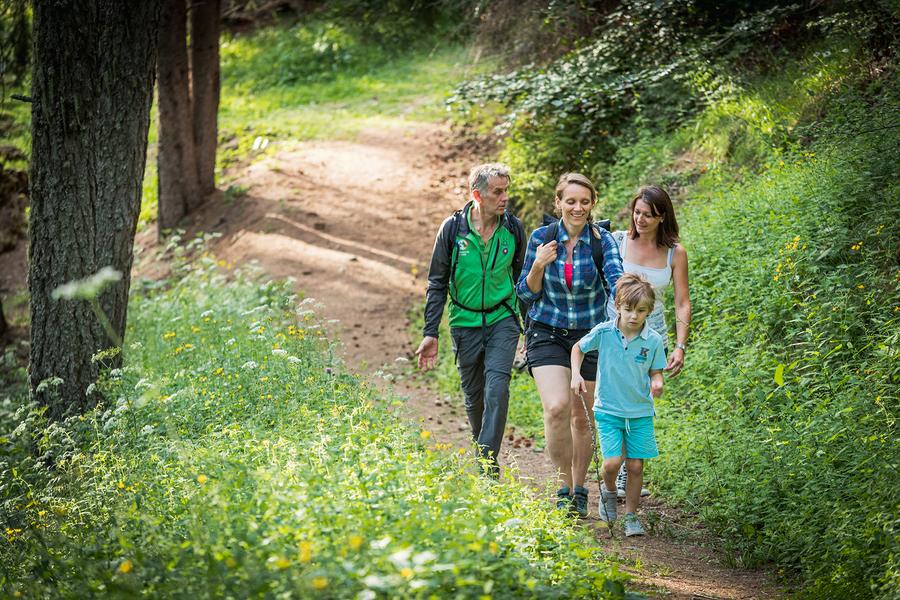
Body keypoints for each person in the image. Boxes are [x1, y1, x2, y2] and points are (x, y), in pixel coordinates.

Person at [515, 172, 623, 516]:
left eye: (585, 202)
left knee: (582, 417)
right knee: (557, 407)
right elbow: (525, 292)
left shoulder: (602, 241)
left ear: (592, 205)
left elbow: (617, 280)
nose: (578, 208)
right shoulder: (541, 238)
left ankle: (579, 487)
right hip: (546, 332)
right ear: (558, 203)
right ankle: (563, 487)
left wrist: (631, 307)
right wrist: (537, 265)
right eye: (571, 201)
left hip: (590, 337)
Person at [416, 163, 525, 476]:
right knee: (474, 398)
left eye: (506, 190)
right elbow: (437, 282)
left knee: (497, 389)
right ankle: (484, 453)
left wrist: (529, 328)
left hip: (503, 319)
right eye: (497, 192)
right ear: (477, 195)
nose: (505, 198)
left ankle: (488, 467)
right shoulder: (452, 230)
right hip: (464, 323)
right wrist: (430, 332)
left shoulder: (513, 229)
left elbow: (522, 281)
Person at [607, 185, 691, 497]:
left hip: (651, 340)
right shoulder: (617, 242)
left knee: (640, 405)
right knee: (615, 403)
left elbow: (683, 301)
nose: (640, 219)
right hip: (614, 336)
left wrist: (680, 345)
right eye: (637, 212)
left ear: (662, 217)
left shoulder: (674, 253)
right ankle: (617, 472)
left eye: (649, 215)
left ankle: (630, 471)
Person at [571, 273, 666, 536]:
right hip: (608, 410)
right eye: (628, 309)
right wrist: (576, 374)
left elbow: (656, 371)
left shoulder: (653, 341)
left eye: (640, 311)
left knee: (635, 465)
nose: (633, 316)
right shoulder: (604, 333)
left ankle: (631, 517)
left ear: (649, 311)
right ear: (618, 306)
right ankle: (609, 491)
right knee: (611, 463)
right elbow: (578, 348)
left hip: (639, 412)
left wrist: (657, 382)